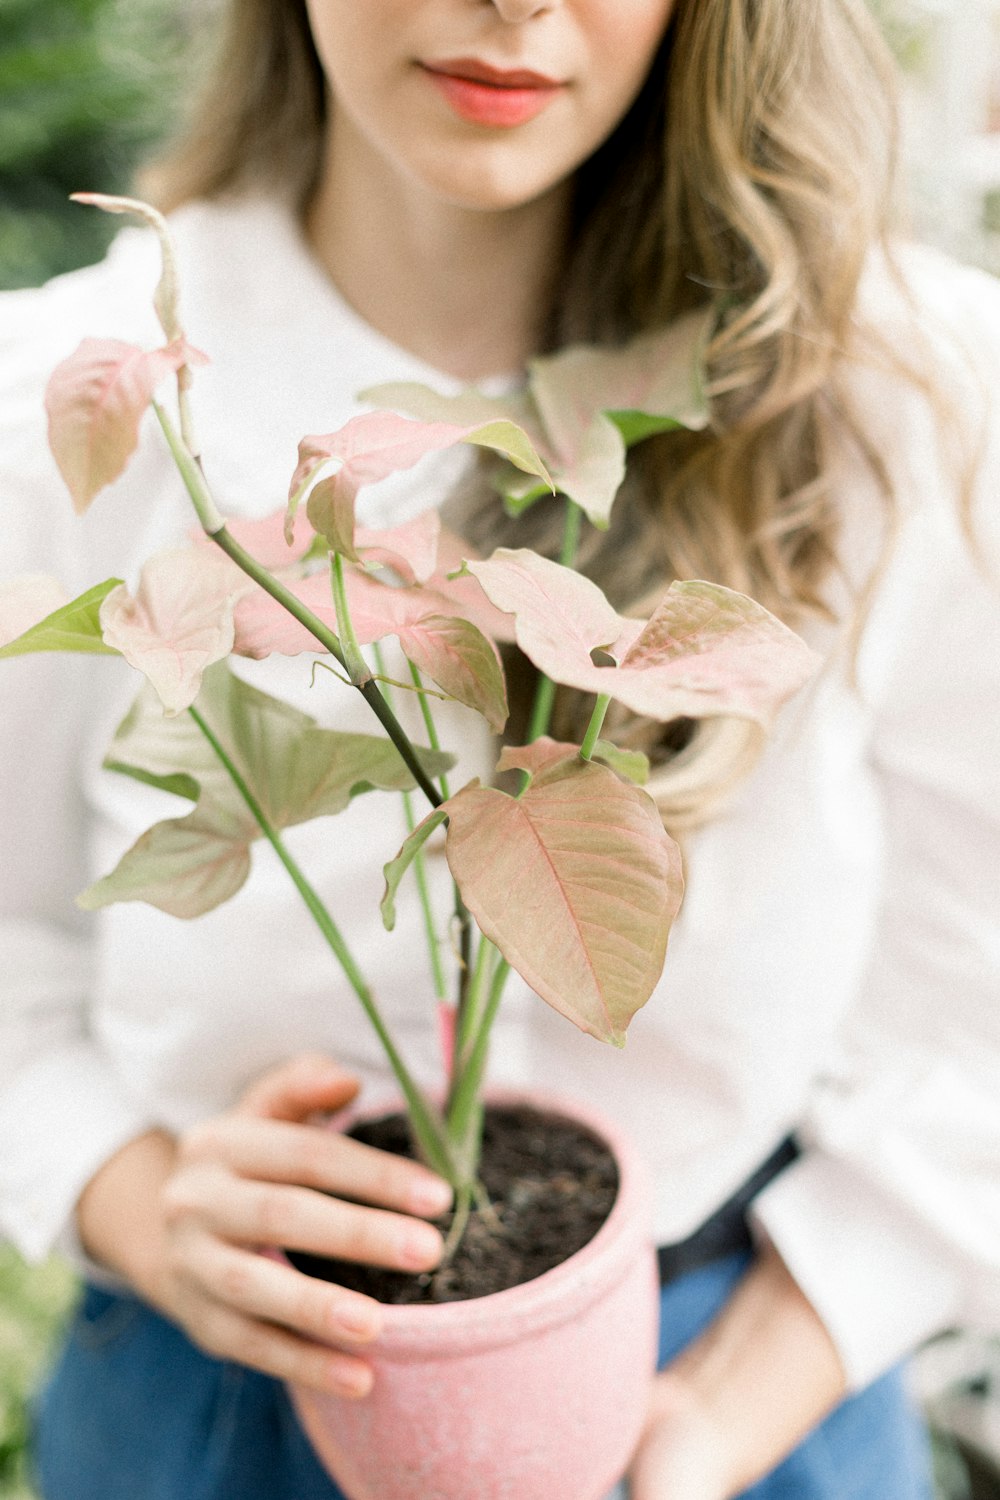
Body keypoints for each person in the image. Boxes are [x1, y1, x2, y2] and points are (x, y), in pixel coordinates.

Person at [1, 1, 998, 1497]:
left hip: (741, 1384)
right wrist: (141, 1204)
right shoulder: (71, 406)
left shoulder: (907, 392)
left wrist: (728, 1410)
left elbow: (975, 983)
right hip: (221, 1393)